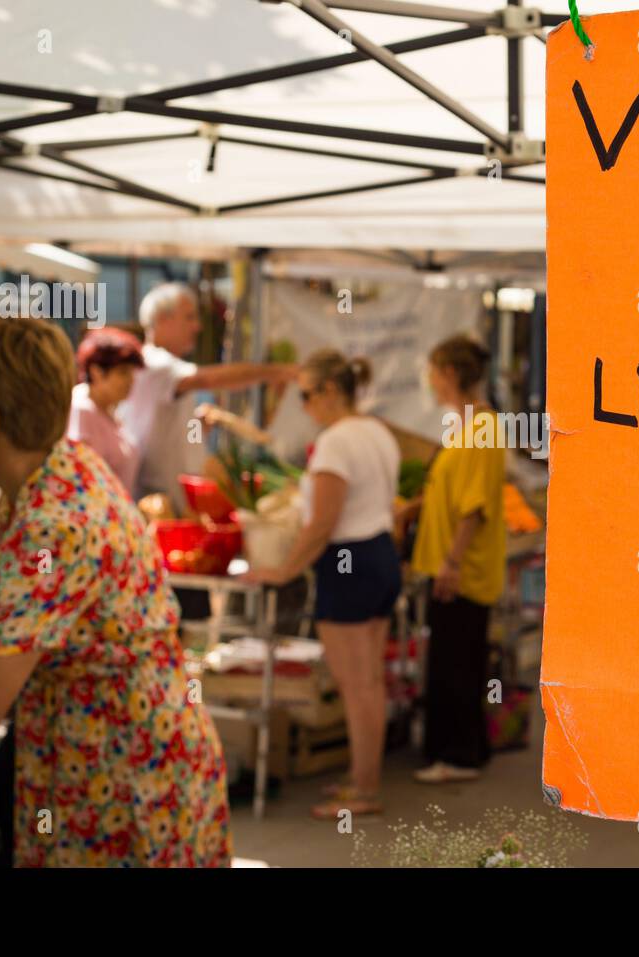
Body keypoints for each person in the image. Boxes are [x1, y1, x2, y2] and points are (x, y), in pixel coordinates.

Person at [0, 313, 232, 867]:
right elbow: (33, 646)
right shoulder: (60, 469)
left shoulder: (49, 526)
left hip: (123, 796)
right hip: (115, 771)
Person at [246, 349, 401, 819]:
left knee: (357, 686)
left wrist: (283, 571)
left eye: (308, 395)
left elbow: (322, 525)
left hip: (349, 560)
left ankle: (365, 790)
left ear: (331, 391)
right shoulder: (377, 432)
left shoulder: (336, 442)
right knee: (368, 681)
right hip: (378, 554)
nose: (305, 404)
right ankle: (362, 779)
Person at [410, 336, 506, 784]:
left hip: (463, 571)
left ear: (449, 373)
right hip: (452, 564)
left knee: (457, 663)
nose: (430, 381)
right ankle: (464, 749)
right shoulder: (466, 427)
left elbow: (474, 507)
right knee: (453, 658)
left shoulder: (483, 428)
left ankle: (459, 755)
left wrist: (451, 563)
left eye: (433, 371)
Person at [120, 282, 293, 513]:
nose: (198, 327)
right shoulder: (156, 363)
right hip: (162, 504)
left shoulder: (168, 367)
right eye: (189, 317)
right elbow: (207, 379)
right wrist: (275, 372)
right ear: (163, 319)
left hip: (178, 502)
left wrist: (198, 430)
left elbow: (171, 433)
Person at [67, 327, 144, 495]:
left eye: (132, 372)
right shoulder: (82, 410)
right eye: (123, 373)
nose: (131, 380)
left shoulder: (109, 409)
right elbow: (83, 479)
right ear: (96, 372)